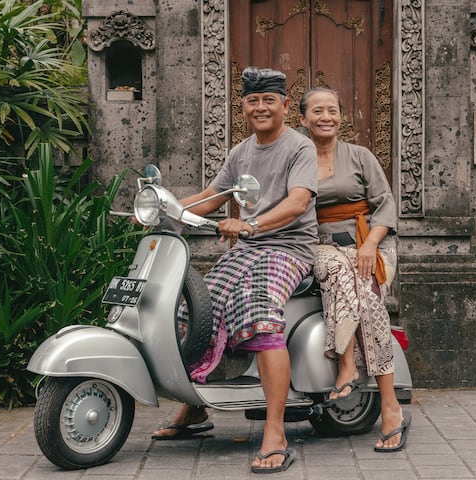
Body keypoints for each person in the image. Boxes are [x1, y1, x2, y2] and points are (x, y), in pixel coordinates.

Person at [150, 67, 318, 474]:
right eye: (252, 101)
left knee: (260, 313)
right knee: (195, 309)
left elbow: (298, 203)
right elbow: (213, 196)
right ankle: (194, 409)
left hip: (289, 249)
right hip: (249, 248)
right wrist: (166, 209)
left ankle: (275, 431)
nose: (260, 107)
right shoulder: (241, 151)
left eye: (268, 100)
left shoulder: (300, 148)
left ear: (283, 105)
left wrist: (251, 224)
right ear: (243, 107)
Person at [298, 87, 411, 452]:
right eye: (317, 111)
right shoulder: (297, 159)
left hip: (370, 244)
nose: (325, 116)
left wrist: (369, 244)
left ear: (341, 117)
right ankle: (386, 403)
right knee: (342, 271)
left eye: (332, 110)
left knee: (362, 282)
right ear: (303, 119)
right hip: (320, 247)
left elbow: (385, 205)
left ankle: (361, 378)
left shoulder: (360, 156)